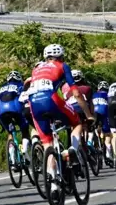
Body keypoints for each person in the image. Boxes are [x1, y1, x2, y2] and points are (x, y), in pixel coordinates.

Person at [28, 44, 93, 194]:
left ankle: (54, 185)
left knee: (47, 144)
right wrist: (88, 114)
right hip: (51, 99)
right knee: (76, 123)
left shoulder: (36, 69)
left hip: (33, 103)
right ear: (61, 56)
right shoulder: (63, 66)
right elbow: (76, 93)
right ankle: (72, 150)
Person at [0, 71, 31, 167]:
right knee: (25, 130)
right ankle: (24, 150)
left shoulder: (1, 88)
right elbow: (25, 98)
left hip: (1, 111)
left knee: (10, 133)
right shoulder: (20, 85)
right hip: (15, 108)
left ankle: (12, 159)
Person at [93, 81, 113, 162]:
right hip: (104, 110)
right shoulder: (108, 94)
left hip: (94, 110)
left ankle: (95, 140)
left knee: (95, 128)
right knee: (107, 133)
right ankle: (108, 153)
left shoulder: (94, 94)